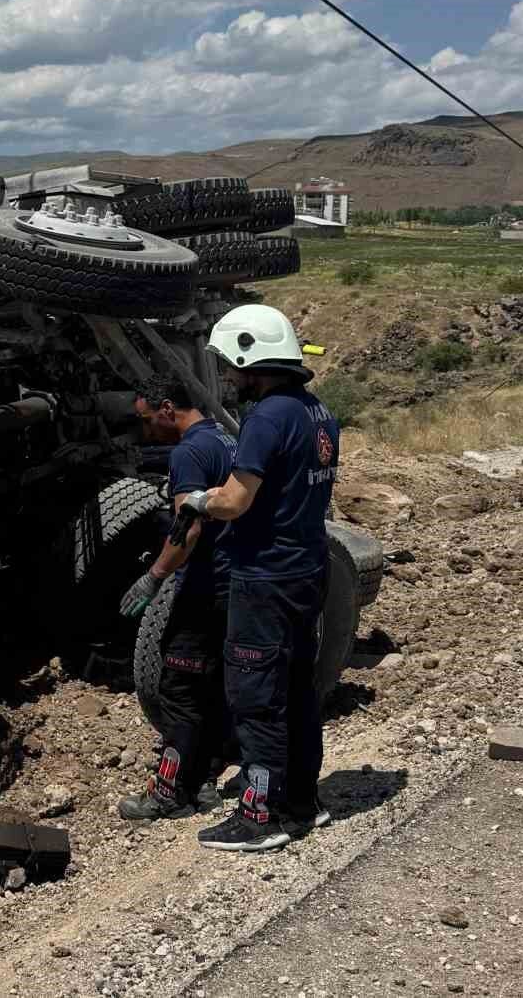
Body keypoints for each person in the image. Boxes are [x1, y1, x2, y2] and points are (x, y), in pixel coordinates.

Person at [176, 305, 339, 852]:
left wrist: (199, 499)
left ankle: (258, 815)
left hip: (264, 577)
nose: (229, 378)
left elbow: (236, 501)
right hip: (305, 568)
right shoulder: (317, 412)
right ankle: (300, 800)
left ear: (252, 360)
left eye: (231, 368)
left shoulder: (267, 418)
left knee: (254, 695)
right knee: (296, 686)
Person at [116, 373, 235, 821]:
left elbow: (189, 526)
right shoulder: (225, 439)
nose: (146, 431)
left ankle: (169, 792)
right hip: (234, 582)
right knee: (213, 684)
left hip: (206, 585)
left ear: (168, 409)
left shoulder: (187, 452)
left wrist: (154, 576)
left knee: (178, 687)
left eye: (147, 420)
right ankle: (204, 781)